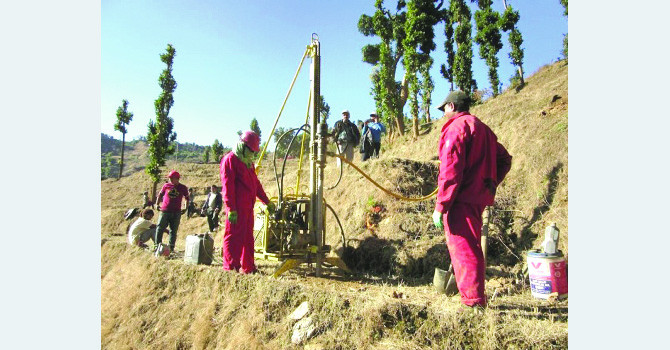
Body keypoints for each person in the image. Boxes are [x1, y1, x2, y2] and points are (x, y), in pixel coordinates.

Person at [432, 90, 512, 309]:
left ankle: (473, 303)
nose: (443, 113)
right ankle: (474, 297)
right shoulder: (482, 128)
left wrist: (441, 205)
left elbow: (451, 171)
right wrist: (488, 183)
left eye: (444, 109)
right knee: (472, 247)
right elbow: (505, 160)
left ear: (451, 106)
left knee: (464, 249)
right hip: (477, 199)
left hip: (460, 200)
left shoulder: (456, 128)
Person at [220, 131, 275, 274]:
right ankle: (231, 268)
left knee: (248, 239)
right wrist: (231, 208)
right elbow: (228, 186)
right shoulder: (230, 160)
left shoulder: (248, 162)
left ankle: (248, 268)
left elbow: (255, 184)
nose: (253, 154)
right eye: (251, 150)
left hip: (248, 209)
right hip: (236, 210)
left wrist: (266, 201)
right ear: (243, 146)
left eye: (254, 152)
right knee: (233, 239)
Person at [155, 170, 190, 254]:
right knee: (160, 228)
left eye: (172, 178)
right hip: (165, 211)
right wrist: (157, 204)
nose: (170, 180)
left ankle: (171, 248)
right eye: (170, 178)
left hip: (176, 212)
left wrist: (185, 207)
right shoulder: (166, 186)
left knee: (173, 231)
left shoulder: (183, 187)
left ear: (177, 179)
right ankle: (157, 246)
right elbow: (160, 194)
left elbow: (187, 198)